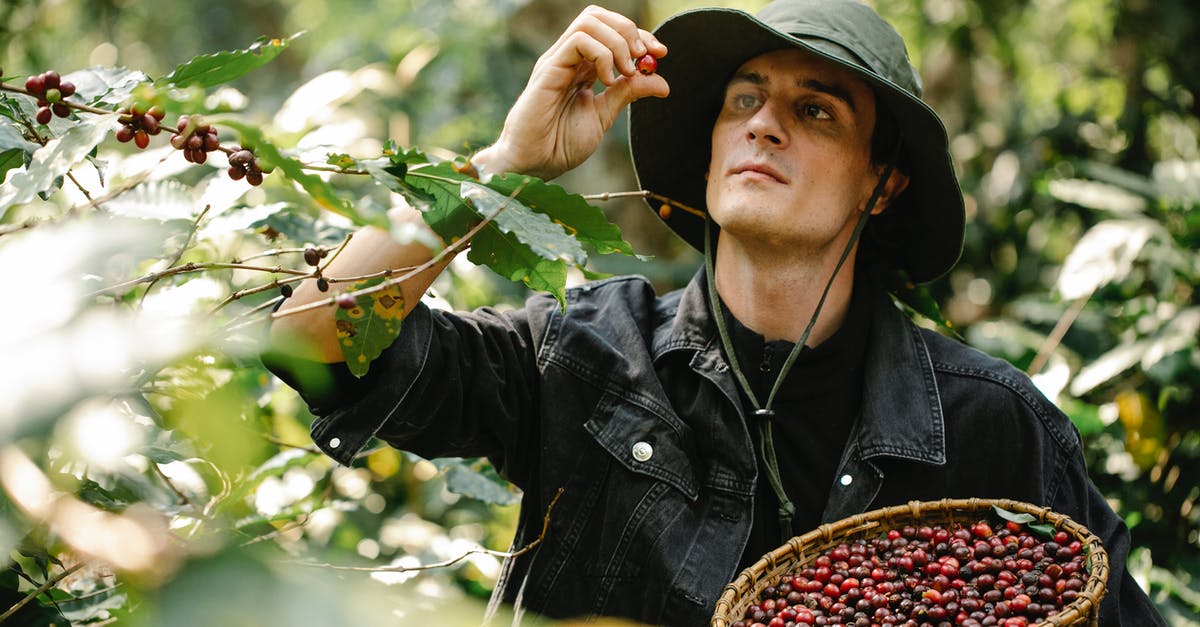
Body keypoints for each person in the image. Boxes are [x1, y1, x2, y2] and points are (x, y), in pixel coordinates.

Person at [266, 1, 1166, 625]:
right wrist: (502, 164)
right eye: (745, 99)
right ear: (707, 152)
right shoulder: (584, 359)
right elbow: (312, 341)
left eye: (814, 110)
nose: (762, 125)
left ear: (882, 183)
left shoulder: (990, 423)